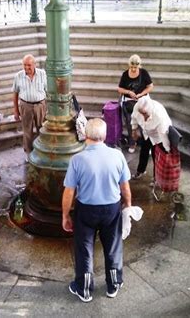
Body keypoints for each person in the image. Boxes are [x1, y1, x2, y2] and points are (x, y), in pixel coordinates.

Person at [62, 118, 132, 303]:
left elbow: (69, 192)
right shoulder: (117, 156)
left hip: (86, 211)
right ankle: (113, 284)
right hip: (111, 209)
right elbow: (124, 186)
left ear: (85, 135)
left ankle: (84, 289)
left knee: (84, 249)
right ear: (105, 135)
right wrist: (128, 206)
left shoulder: (77, 159)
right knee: (113, 246)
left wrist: (65, 215)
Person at [12, 54, 47, 162]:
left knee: (41, 129)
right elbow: (15, 93)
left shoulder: (42, 74)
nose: (26, 68)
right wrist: (16, 110)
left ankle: (41, 151)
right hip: (25, 105)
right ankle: (28, 152)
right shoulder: (18, 76)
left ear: (34, 64)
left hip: (40, 105)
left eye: (29, 65)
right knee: (27, 131)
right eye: (24, 65)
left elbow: (48, 90)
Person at [117, 54, 154, 154]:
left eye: (135, 67)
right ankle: (132, 142)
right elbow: (119, 89)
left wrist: (141, 94)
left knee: (145, 121)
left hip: (142, 99)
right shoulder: (125, 74)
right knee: (130, 122)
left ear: (139, 66)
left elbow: (150, 86)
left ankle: (147, 143)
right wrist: (129, 92)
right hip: (129, 101)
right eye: (131, 67)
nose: (133, 69)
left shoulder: (144, 73)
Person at [130, 96, 172, 180]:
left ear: (151, 110)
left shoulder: (159, 116)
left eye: (145, 114)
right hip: (146, 133)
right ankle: (141, 171)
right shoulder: (138, 107)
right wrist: (134, 129)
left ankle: (156, 178)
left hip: (158, 136)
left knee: (156, 157)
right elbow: (134, 117)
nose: (143, 116)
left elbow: (163, 136)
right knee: (143, 151)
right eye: (141, 113)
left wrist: (168, 150)